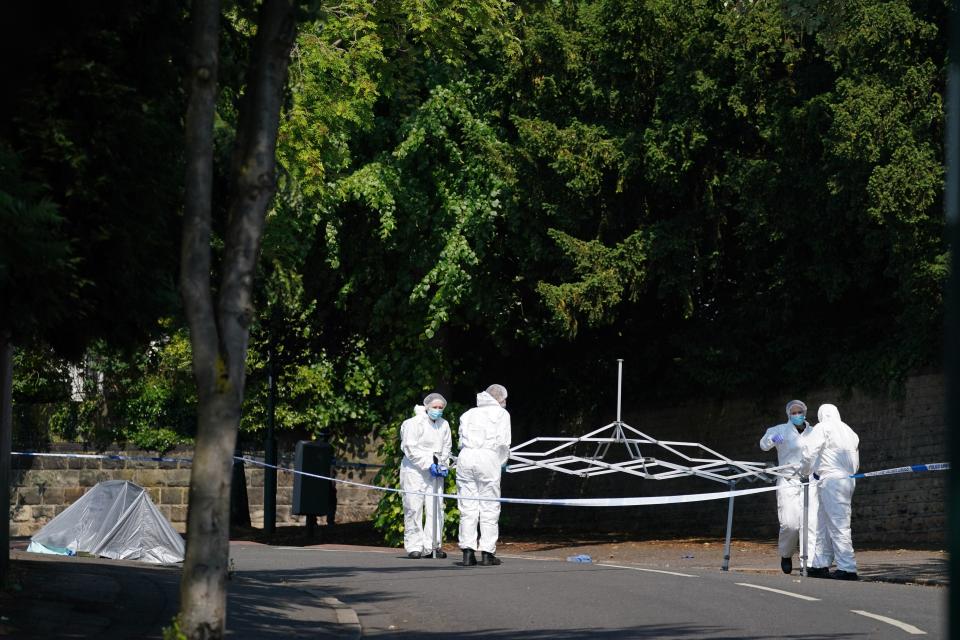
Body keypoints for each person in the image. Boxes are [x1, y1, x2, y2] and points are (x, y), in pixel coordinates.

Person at [759, 400, 820, 575]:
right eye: (793, 412)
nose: (797, 415)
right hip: (788, 481)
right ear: (788, 414)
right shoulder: (779, 430)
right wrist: (774, 439)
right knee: (790, 524)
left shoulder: (814, 432)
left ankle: (806, 562)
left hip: (810, 481)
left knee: (810, 523)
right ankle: (786, 554)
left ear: (805, 412)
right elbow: (764, 445)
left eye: (799, 411)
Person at [800, 403, 860, 580]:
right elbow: (855, 462)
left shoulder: (822, 427)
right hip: (846, 479)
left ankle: (847, 567)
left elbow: (809, 452)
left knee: (838, 524)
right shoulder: (850, 431)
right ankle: (820, 564)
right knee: (823, 523)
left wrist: (804, 471)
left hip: (831, 480)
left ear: (821, 415)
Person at [456, 384, 511, 566]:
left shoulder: (468, 413)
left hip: (465, 457)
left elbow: (461, 439)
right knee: (489, 506)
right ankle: (487, 552)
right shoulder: (502, 414)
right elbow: (504, 442)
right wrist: (501, 462)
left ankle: (467, 553)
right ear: (500, 399)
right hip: (488, 457)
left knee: (467, 506)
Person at [399, 392, 452, 559]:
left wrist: (443, 465)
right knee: (413, 507)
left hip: (435, 472)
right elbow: (410, 448)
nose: (438, 410)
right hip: (414, 471)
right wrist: (428, 464)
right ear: (427, 407)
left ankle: (433, 546)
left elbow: (446, 447)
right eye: (435, 407)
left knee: (436, 508)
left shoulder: (444, 425)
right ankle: (414, 546)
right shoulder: (412, 423)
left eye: (440, 408)